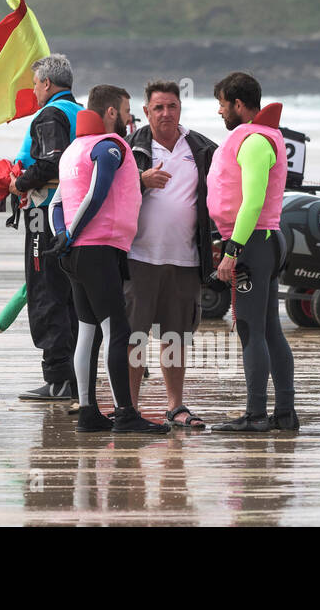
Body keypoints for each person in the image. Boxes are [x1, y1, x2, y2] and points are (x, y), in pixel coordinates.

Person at [50, 84, 167, 434]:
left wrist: (63, 235)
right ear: (112, 112)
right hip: (97, 250)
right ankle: (126, 415)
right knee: (117, 329)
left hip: (76, 254)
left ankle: (88, 412)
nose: (131, 117)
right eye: (128, 109)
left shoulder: (73, 149)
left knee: (88, 331)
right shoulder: (109, 148)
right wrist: (71, 234)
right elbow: (97, 193)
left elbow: (57, 204)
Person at [207, 72, 297, 433]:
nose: (220, 112)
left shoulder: (256, 141)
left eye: (222, 104)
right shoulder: (261, 136)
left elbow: (253, 201)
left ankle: (256, 414)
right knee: (270, 329)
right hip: (263, 241)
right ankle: (285, 414)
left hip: (254, 242)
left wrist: (232, 251)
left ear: (238, 105)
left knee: (250, 329)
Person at [126, 80, 219, 429]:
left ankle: (176, 406)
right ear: (146, 111)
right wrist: (140, 180)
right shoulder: (129, 148)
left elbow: (225, 195)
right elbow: (107, 192)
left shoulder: (202, 148)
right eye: (159, 107)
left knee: (176, 337)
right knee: (134, 337)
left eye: (172, 106)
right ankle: (130, 408)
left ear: (180, 109)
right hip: (138, 257)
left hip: (186, 259)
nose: (166, 113)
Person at [9, 54, 83, 401]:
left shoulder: (50, 115)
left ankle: (57, 379)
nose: (34, 90)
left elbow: (52, 160)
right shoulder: (80, 112)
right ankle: (75, 377)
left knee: (45, 293)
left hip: (44, 213)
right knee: (71, 295)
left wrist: (21, 182)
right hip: (75, 215)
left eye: (36, 83)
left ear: (48, 84)